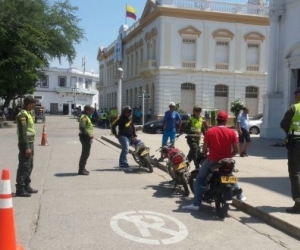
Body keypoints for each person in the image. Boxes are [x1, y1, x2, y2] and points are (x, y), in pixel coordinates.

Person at [183, 110, 246, 211]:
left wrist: (204, 153)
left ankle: (196, 204)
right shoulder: (232, 132)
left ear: (217, 120)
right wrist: (229, 156)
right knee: (229, 175)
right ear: (226, 121)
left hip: (213, 160)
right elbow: (237, 150)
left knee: (199, 179)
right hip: (227, 161)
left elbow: (204, 149)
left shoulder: (210, 131)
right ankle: (241, 196)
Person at [280, 87, 300, 214]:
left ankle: (298, 204)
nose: (294, 97)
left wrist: (289, 133)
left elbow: (283, 124)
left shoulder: (294, 108)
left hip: (297, 144)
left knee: (295, 173)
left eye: (296, 94)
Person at [15, 96, 38, 197]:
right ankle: (20, 188)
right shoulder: (22, 115)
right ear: (27, 103)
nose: (34, 105)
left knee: (30, 165)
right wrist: (27, 147)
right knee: (24, 165)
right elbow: (23, 133)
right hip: (26, 144)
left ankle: (26, 185)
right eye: (32, 103)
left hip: (30, 142)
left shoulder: (29, 113)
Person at [78, 105, 94, 175]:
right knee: (85, 154)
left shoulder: (86, 116)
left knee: (86, 154)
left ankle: (83, 168)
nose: (92, 111)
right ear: (87, 110)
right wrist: (89, 135)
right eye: (90, 110)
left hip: (86, 137)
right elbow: (82, 128)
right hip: (85, 137)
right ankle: (81, 170)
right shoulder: (84, 117)